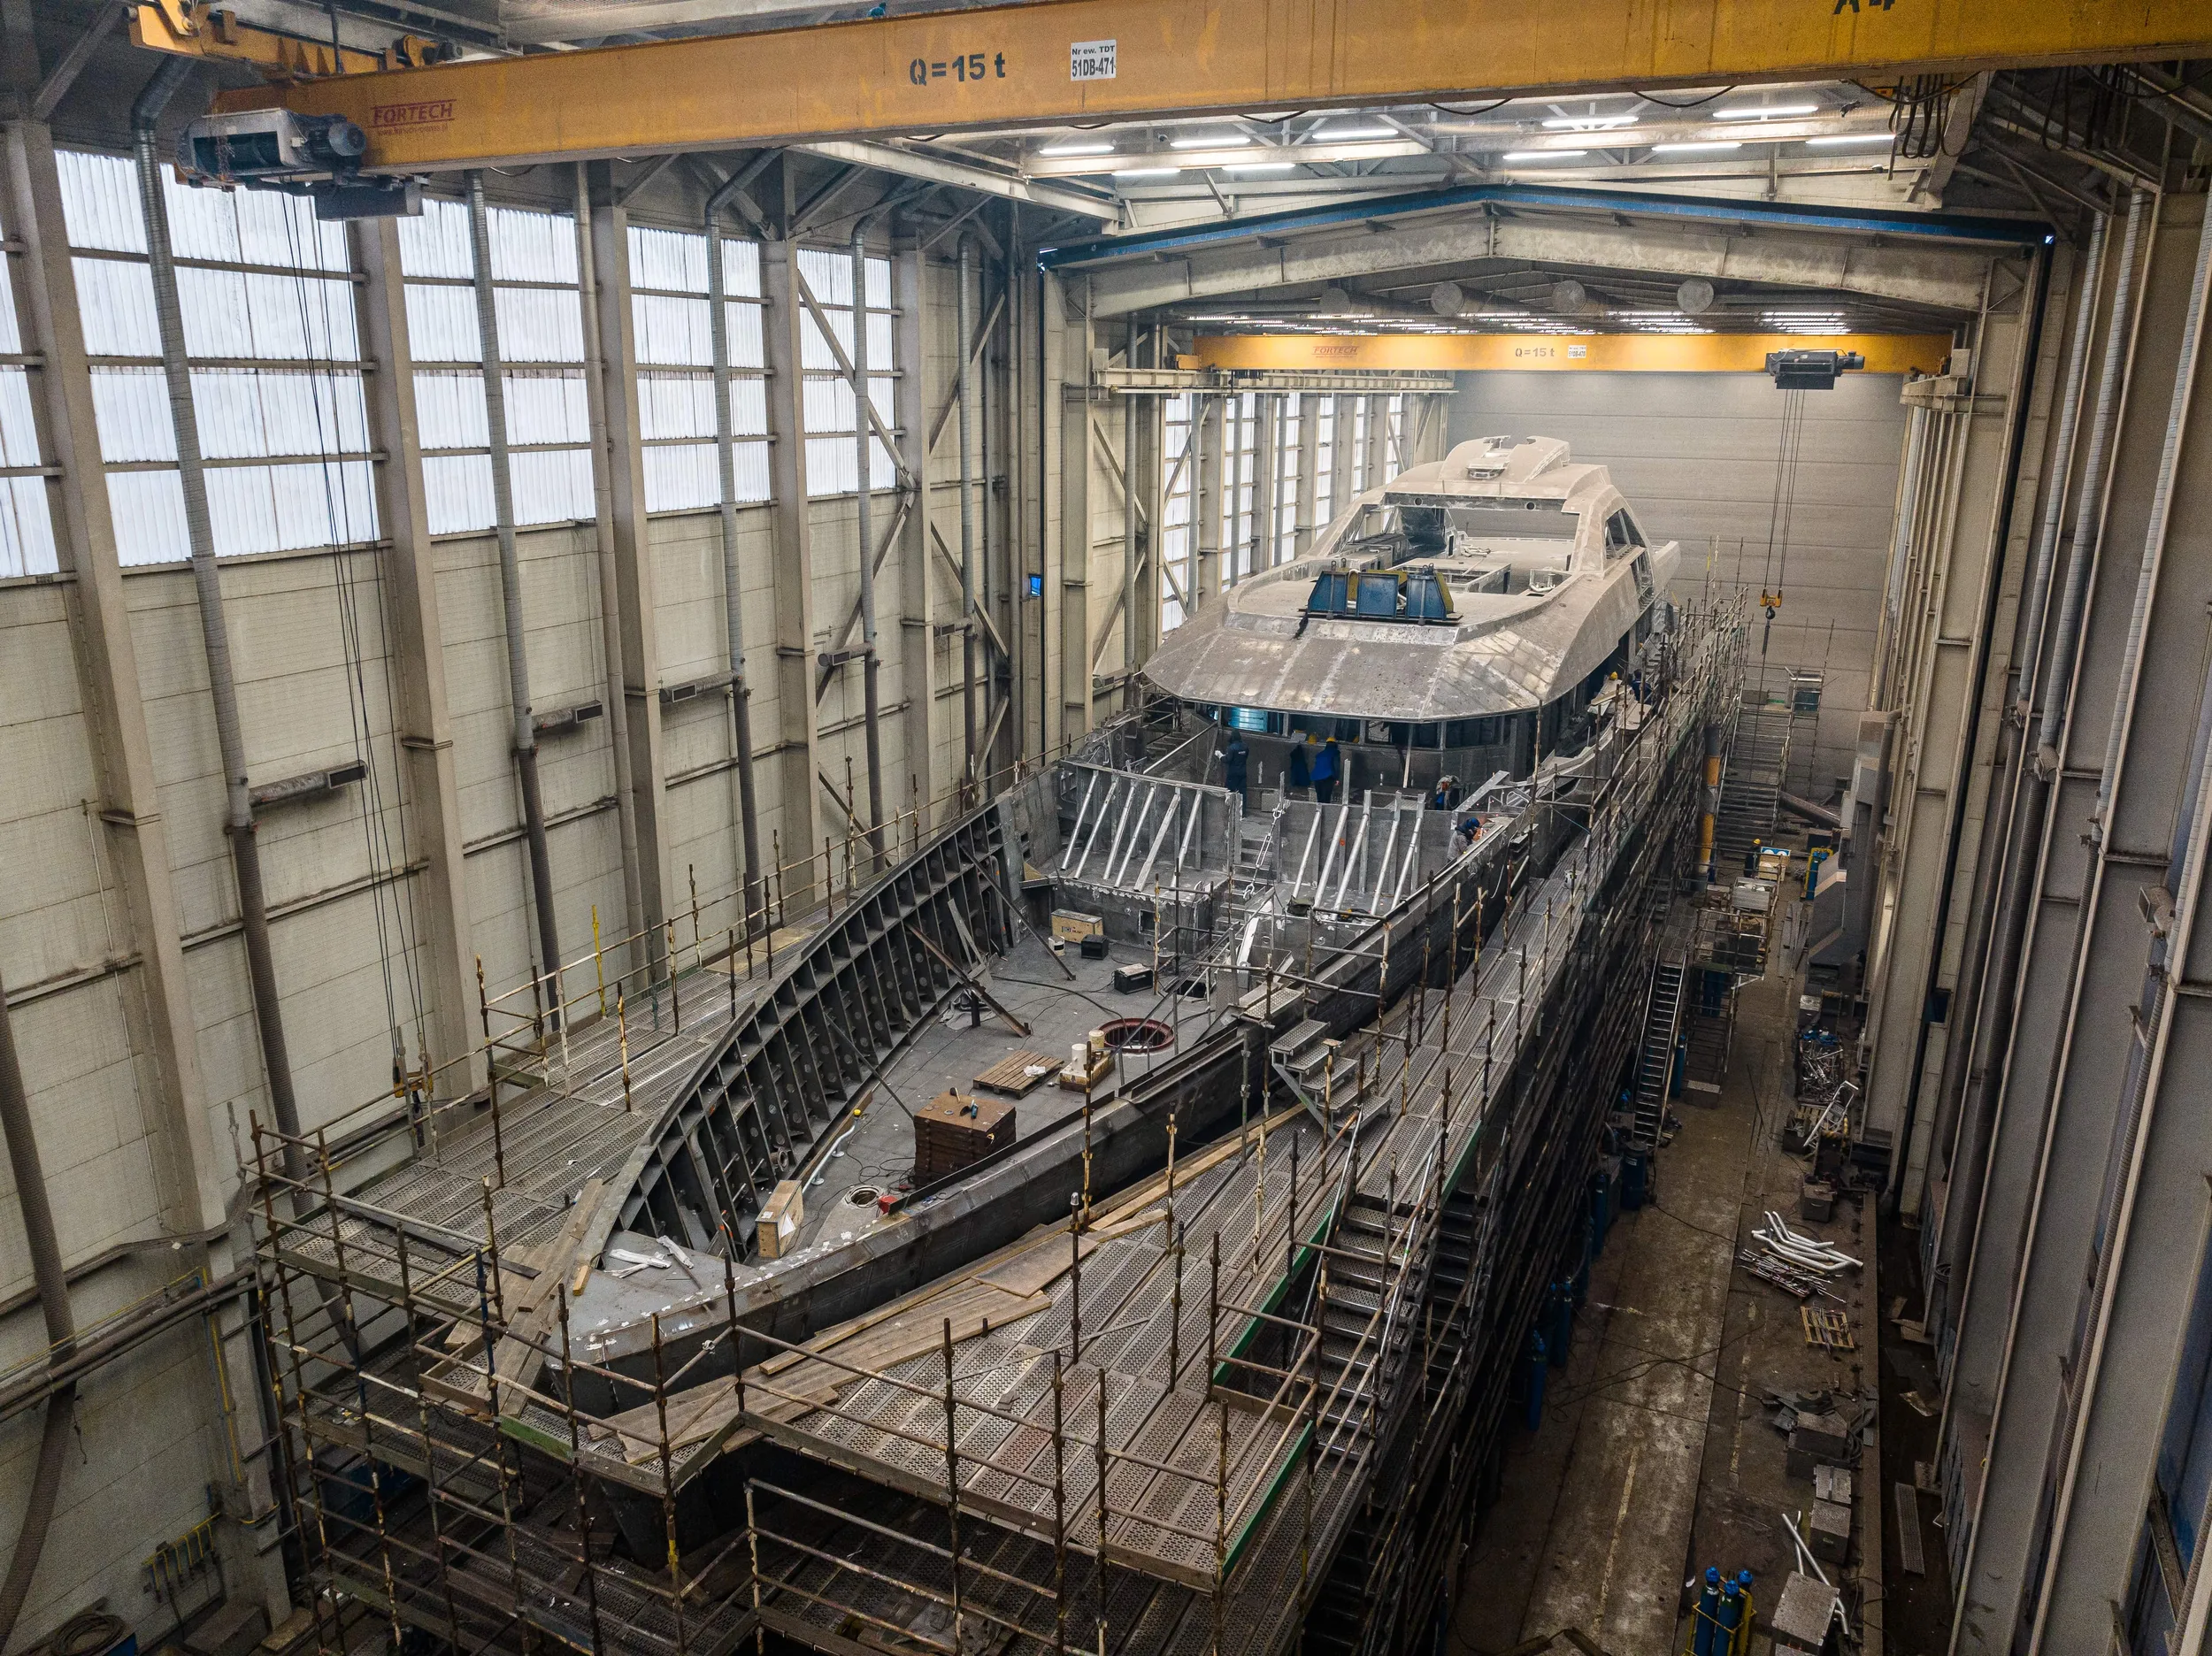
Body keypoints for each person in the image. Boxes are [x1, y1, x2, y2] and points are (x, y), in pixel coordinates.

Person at [1218, 730, 1249, 801]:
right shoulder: (1245, 747)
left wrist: (1220, 756)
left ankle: (1229, 808)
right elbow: (1245, 756)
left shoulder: (1232, 748)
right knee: (1242, 792)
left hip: (1233, 773)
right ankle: (1242, 809)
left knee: (1229, 790)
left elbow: (1227, 759)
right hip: (1242, 772)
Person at [1311, 735, 1340, 804]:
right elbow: (1336, 766)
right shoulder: (1335, 753)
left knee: (1320, 798)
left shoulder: (1320, 754)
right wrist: (1337, 779)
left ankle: (1318, 812)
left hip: (1317, 778)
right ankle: (1325, 813)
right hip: (1328, 777)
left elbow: (1317, 766)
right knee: (1326, 798)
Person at [1286, 732, 1312, 797]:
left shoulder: (1296, 760)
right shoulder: (1300, 759)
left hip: (1298, 783)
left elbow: (1294, 774)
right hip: (1303, 783)